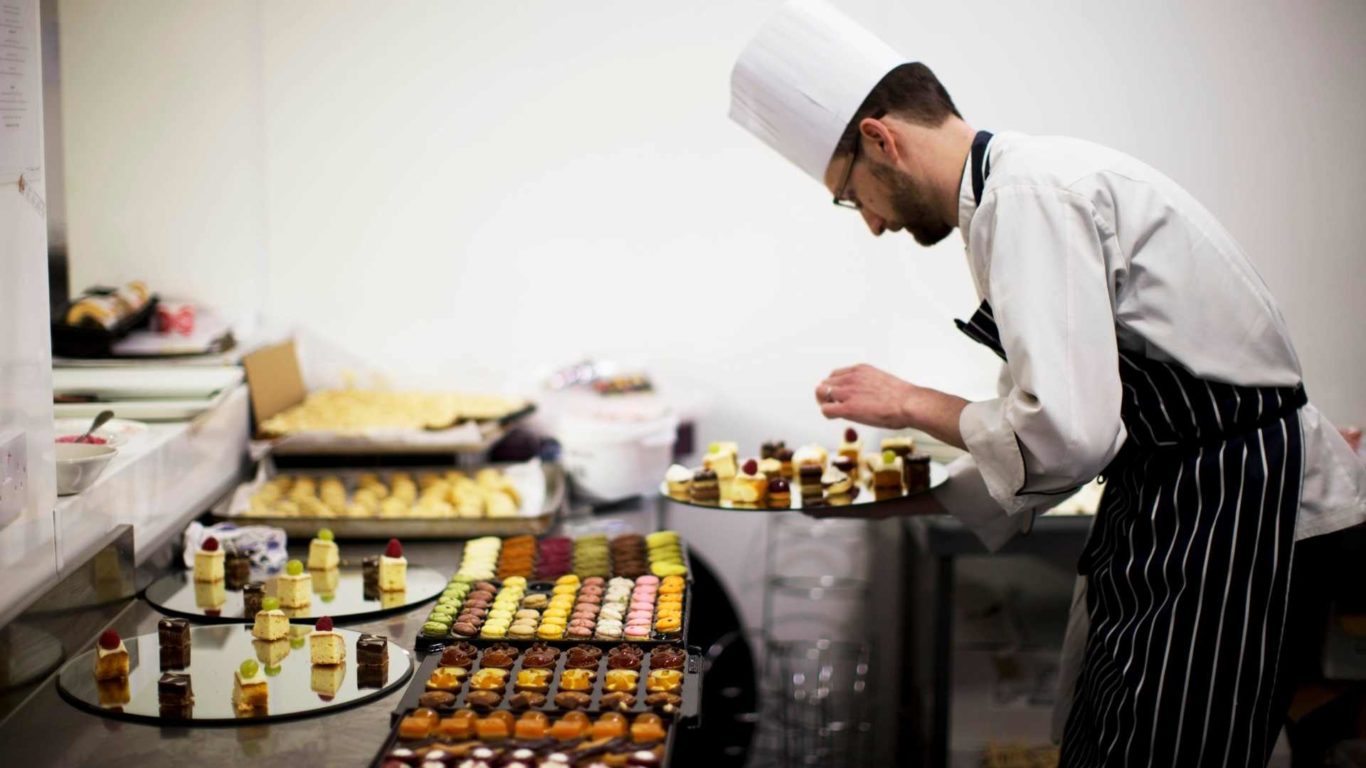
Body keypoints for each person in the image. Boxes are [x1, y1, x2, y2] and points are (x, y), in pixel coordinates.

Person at [729, 1, 1366, 766]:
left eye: (849, 194)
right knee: (1111, 735)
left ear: (880, 139)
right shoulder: (1018, 190)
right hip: (1182, 501)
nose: (868, 221)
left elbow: (1066, 432)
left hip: (1231, 508)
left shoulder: (1031, 196)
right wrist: (914, 499)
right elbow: (1052, 426)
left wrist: (908, 403)